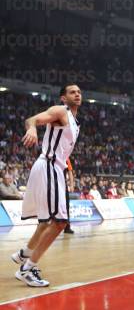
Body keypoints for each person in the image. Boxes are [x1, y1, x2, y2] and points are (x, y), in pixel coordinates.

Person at [11, 84, 81, 287]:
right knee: (59, 222)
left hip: (54, 169)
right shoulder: (60, 111)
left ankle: (24, 254)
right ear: (63, 98)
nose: (77, 94)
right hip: (48, 166)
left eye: (78, 92)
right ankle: (27, 268)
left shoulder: (75, 122)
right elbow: (31, 119)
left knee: (46, 222)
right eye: (72, 92)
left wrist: (67, 172)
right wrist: (32, 128)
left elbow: (63, 150)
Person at [63, 158, 75, 235]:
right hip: (52, 185)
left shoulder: (66, 158)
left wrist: (71, 185)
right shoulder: (50, 155)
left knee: (66, 206)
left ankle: (67, 227)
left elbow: (70, 171)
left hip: (63, 185)